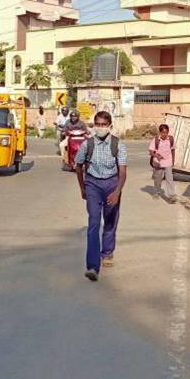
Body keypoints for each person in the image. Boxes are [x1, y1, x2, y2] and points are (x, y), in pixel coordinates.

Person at [74, 111, 127, 281]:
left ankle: (107, 252)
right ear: (94, 125)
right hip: (93, 185)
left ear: (110, 126)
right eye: (98, 124)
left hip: (112, 184)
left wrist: (117, 192)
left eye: (104, 124)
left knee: (110, 220)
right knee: (94, 223)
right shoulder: (87, 145)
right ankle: (92, 266)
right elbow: (78, 166)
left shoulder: (118, 145)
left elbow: (123, 172)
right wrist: (82, 188)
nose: (101, 127)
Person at [149, 124, 176, 203]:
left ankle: (171, 196)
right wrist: (156, 155)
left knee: (169, 179)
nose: (165, 134)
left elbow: (173, 150)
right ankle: (157, 192)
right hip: (158, 163)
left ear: (168, 132)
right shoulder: (156, 140)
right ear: (160, 132)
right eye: (163, 132)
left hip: (168, 162)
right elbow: (150, 151)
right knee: (158, 179)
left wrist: (173, 161)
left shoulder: (171, 139)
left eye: (166, 132)